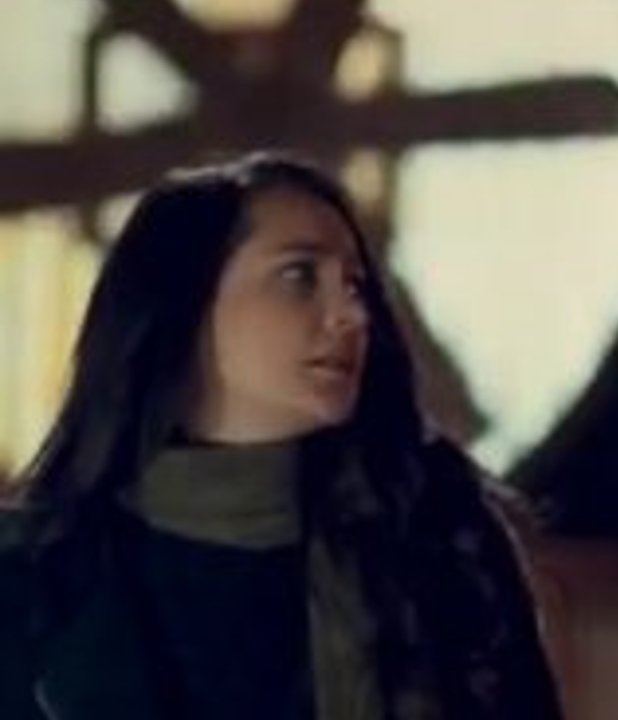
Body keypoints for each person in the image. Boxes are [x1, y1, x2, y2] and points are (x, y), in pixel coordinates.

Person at [0, 152, 563, 719]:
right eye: (299, 277)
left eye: (355, 285)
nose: (353, 315)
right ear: (186, 303)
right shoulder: (34, 577)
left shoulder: (436, 528)